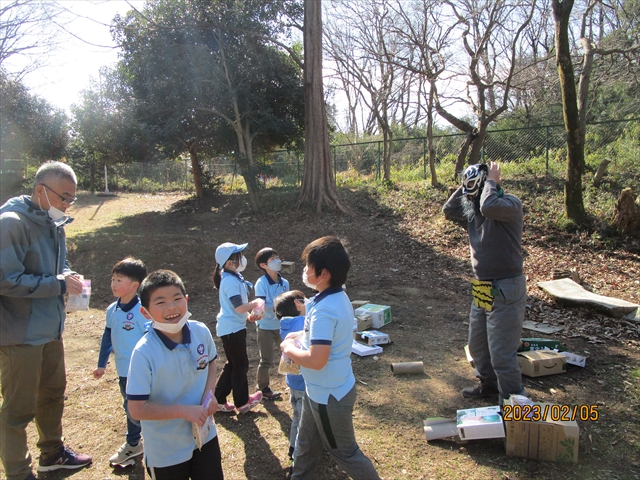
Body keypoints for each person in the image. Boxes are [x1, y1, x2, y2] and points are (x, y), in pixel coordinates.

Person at [0, 161, 92, 480]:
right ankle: (18, 472)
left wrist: (69, 275)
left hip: (50, 330)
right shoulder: (11, 222)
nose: (67, 205)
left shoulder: (55, 223)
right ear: (41, 190)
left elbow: (59, 265)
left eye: (71, 199)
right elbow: (6, 280)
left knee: (53, 393)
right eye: (64, 197)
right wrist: (57, 284)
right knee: (17, 411)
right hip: (19, 335)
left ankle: (52, 454)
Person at [280, 236, 380, 480]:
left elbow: (316, 360)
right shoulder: (331, 296)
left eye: (308, 266)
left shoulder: (325, 308)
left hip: (329, 396)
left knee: (345, 453)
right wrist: (300, 334)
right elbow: (324, 335)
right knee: (305, 444)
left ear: (323, 273)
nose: (304, 271)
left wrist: (287, 347)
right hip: (319, 391)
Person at [126, 270, 224, 480]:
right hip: (166, 450)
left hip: (205, 437)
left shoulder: (200, 331)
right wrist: (184, 411)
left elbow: (212, 362)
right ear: (145, 312)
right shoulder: (144, 353)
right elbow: (136, 409)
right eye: (160, 302)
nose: (171, 307)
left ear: (186, 300)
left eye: (177, 299)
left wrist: (210, 394)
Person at [442, 161, 526, 403]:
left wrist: (490, 180)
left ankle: (513, 403)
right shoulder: (475, 208)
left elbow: (489, 206)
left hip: (506, 285)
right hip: (482, 285)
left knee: (501, 353)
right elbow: (449, 209)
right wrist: (466, 184)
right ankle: (488, 385)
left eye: (474, 190)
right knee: (478, 346)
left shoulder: (509, 204)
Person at [93, 257, 148, 467]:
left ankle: (136, 442)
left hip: (141, 372)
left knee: (135, 408)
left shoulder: (143, 311)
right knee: (130, 407)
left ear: (135, 285)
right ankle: (137, 442)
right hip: (123, 371)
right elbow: (108, 337)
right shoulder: (111, 310)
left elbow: (152, 338)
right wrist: (101, 363)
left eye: (119, 280)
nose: (114, 284)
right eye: (113, 279)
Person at [212, 242, 263, 414]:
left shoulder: (233, 278)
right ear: (229, 263)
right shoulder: (230, 282)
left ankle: (218, 399)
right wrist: (254, 304)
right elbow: (239, 307)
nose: (243, 259)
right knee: (240, 365)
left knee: (233, 364)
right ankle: (242, 403)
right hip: (232, 330)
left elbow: (238, 310)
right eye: (239, 256)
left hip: (233, 327)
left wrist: (249, 316)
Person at [274, 290, 307, 462]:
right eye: (305, 299)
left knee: (296, 416)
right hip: (305, 382)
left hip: (293, 381)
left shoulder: (285, 324)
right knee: (304, 421)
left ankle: (293, 446)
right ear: (297, 303)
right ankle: (298, 454)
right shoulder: (302, 323)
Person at [254, 247, 290, 401]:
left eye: (277, 257)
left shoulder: (285, 282)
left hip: (282, 324)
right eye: (272, 259)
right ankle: (262, 388)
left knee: (289, 354)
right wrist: (278, 304)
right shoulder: (261, 283)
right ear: (263, 265)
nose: (277, 261)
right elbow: (260, 304)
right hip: (265, 326)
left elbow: (288, 302)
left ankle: (292, 380)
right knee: (266, 359)